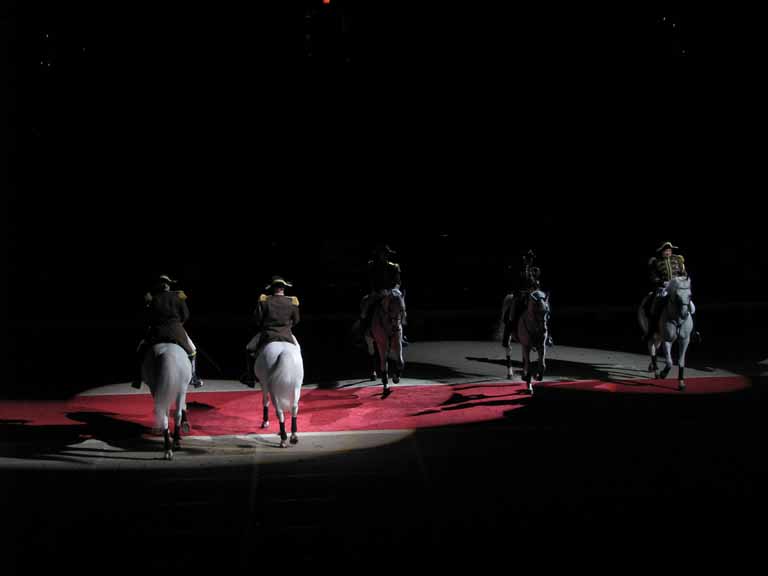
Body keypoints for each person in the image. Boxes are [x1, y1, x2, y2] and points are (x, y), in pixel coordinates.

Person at [132, 274, 203, 389]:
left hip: (156, 332)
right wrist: (179, 324)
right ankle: (194, 377)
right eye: (165, 283)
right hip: (176, 330)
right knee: (192, 351)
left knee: (140, 350)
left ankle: (137, 379)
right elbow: (186, 315)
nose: (166, 285)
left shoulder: (151, 297)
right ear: (167, 285)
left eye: (166, 283)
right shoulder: (180, 294)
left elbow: (147, 317)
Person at [243, 275, 300, 387]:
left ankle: (249, 377)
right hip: (286, 334)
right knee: (298, 351)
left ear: (273, 288)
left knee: (248, 349)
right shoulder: (292, 301)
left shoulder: (265, 300)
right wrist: (287, 326)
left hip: (268, 333)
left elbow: (257, 319)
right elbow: (297, 320)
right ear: (283, 288)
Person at [644, 241, 698, 341]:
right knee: (654, 306)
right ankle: (652, 330)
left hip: (677, 286)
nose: (668, 252)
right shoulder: (656, 261)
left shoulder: (678, 259)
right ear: (661, 251)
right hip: (664, 286)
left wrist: (683, 280)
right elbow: (653, 276)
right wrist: (660, 282)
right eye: (665, 250)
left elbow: (683, 273)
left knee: (692, 306)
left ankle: (694, 332)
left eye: (669, 250)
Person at [359, 243, 407, 342]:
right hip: (377, 291)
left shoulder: (394, 266)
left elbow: (398, 282)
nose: (385, 255)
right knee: (366, 305)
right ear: (379, 254)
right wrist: (376, 291)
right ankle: (363, 330)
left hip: (391, 292)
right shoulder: (372, 265)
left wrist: (393, 290)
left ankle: (401, 333)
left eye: (386, 254)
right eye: (383, 253)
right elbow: (370, 280)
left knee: (400, 306)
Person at [502, 249, 549, 346]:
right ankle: (507, 335)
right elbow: (515, 284)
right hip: (520, 296)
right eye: (528, 258)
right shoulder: (517, 271)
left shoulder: (535, 270)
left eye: (530, 258)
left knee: (544, 311)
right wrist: (522, 292)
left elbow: (537, 285)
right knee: (511, 314)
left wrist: (537, 291)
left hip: (532, 297)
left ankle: (547, 336)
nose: (529, 260)